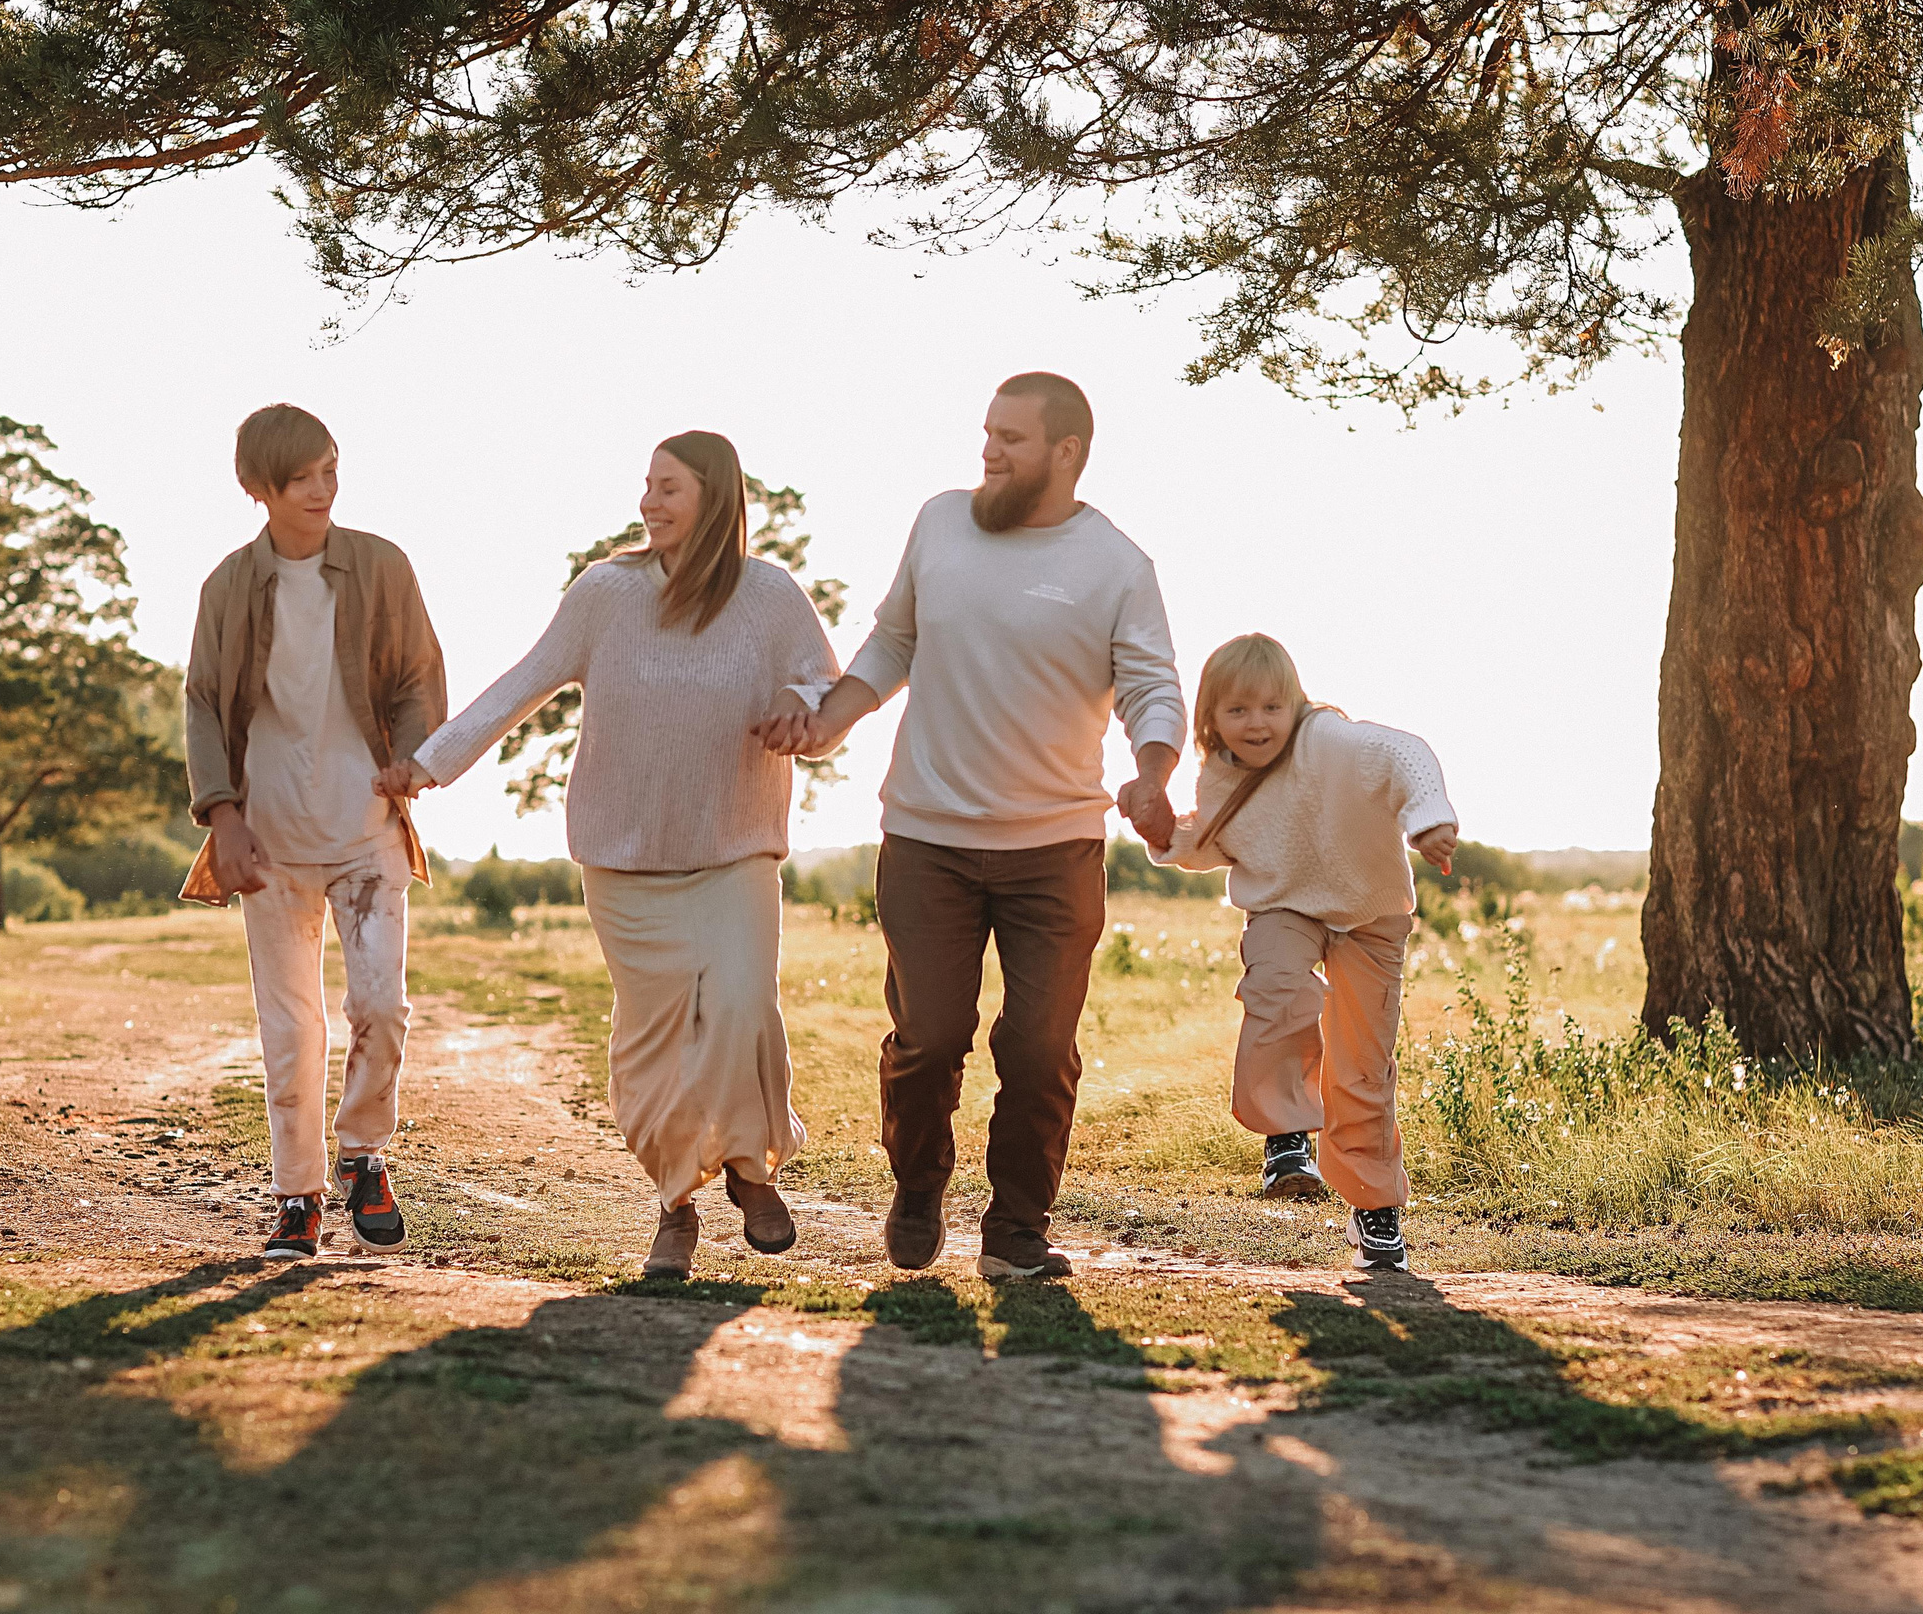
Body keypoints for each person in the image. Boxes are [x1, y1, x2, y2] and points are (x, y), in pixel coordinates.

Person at [761, 373, 1187, 1280]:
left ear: (1067, 452)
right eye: (987, 432)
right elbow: (894, 639)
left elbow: (1153, 687)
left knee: (1038, 1048)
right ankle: (918, 1186)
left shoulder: (1116, 565)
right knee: (929, 1035)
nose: (988, 450)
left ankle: (1016, 1229)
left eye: (1013, 438)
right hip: (927, 837)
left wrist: (1151, 774)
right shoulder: (940, 522)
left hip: (1056, 848)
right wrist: (835, 714)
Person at [388, 431, 838, 1281]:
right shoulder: (606, 591)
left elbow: (824, 685)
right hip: (625, 857)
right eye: (647, 487)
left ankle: (748, 1165)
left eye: (668, 488)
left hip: (735, 848)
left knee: (743, 1006)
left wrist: (798, 703)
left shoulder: (771, 595)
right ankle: (676, 1206)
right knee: (651, 1047)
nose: (649, 503)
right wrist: (432, 761)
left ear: (715, 496)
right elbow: (524, 680)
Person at [180, 403, 448, 1263]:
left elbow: (417, 677)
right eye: (303, 478)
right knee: (290, 1027)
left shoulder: (380, 567)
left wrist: (414, 757)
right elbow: (202, 705)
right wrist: (222, 814)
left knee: (380, 1004)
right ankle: (298, 1195)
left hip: (366, 827)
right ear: (259, 488)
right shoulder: (228, 587)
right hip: (267, 840)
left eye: (332, 469)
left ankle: (366, 1155)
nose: (323, 489)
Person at [1147, 633, 1458, 1271]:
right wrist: (1166, 837)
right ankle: (1287, 1138)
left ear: (1295, 703)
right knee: (1277, 991)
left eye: (1270, 706)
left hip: (1370, 914)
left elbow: (1407, 753)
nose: (1255, 723)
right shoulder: (1221, 777)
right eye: (1237, 711)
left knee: (1360, 1065)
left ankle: (1374, 1208)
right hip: (1284, 905)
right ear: (1211, 719)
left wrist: (1428, 817)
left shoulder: (1332, 743)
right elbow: (1214, 843)